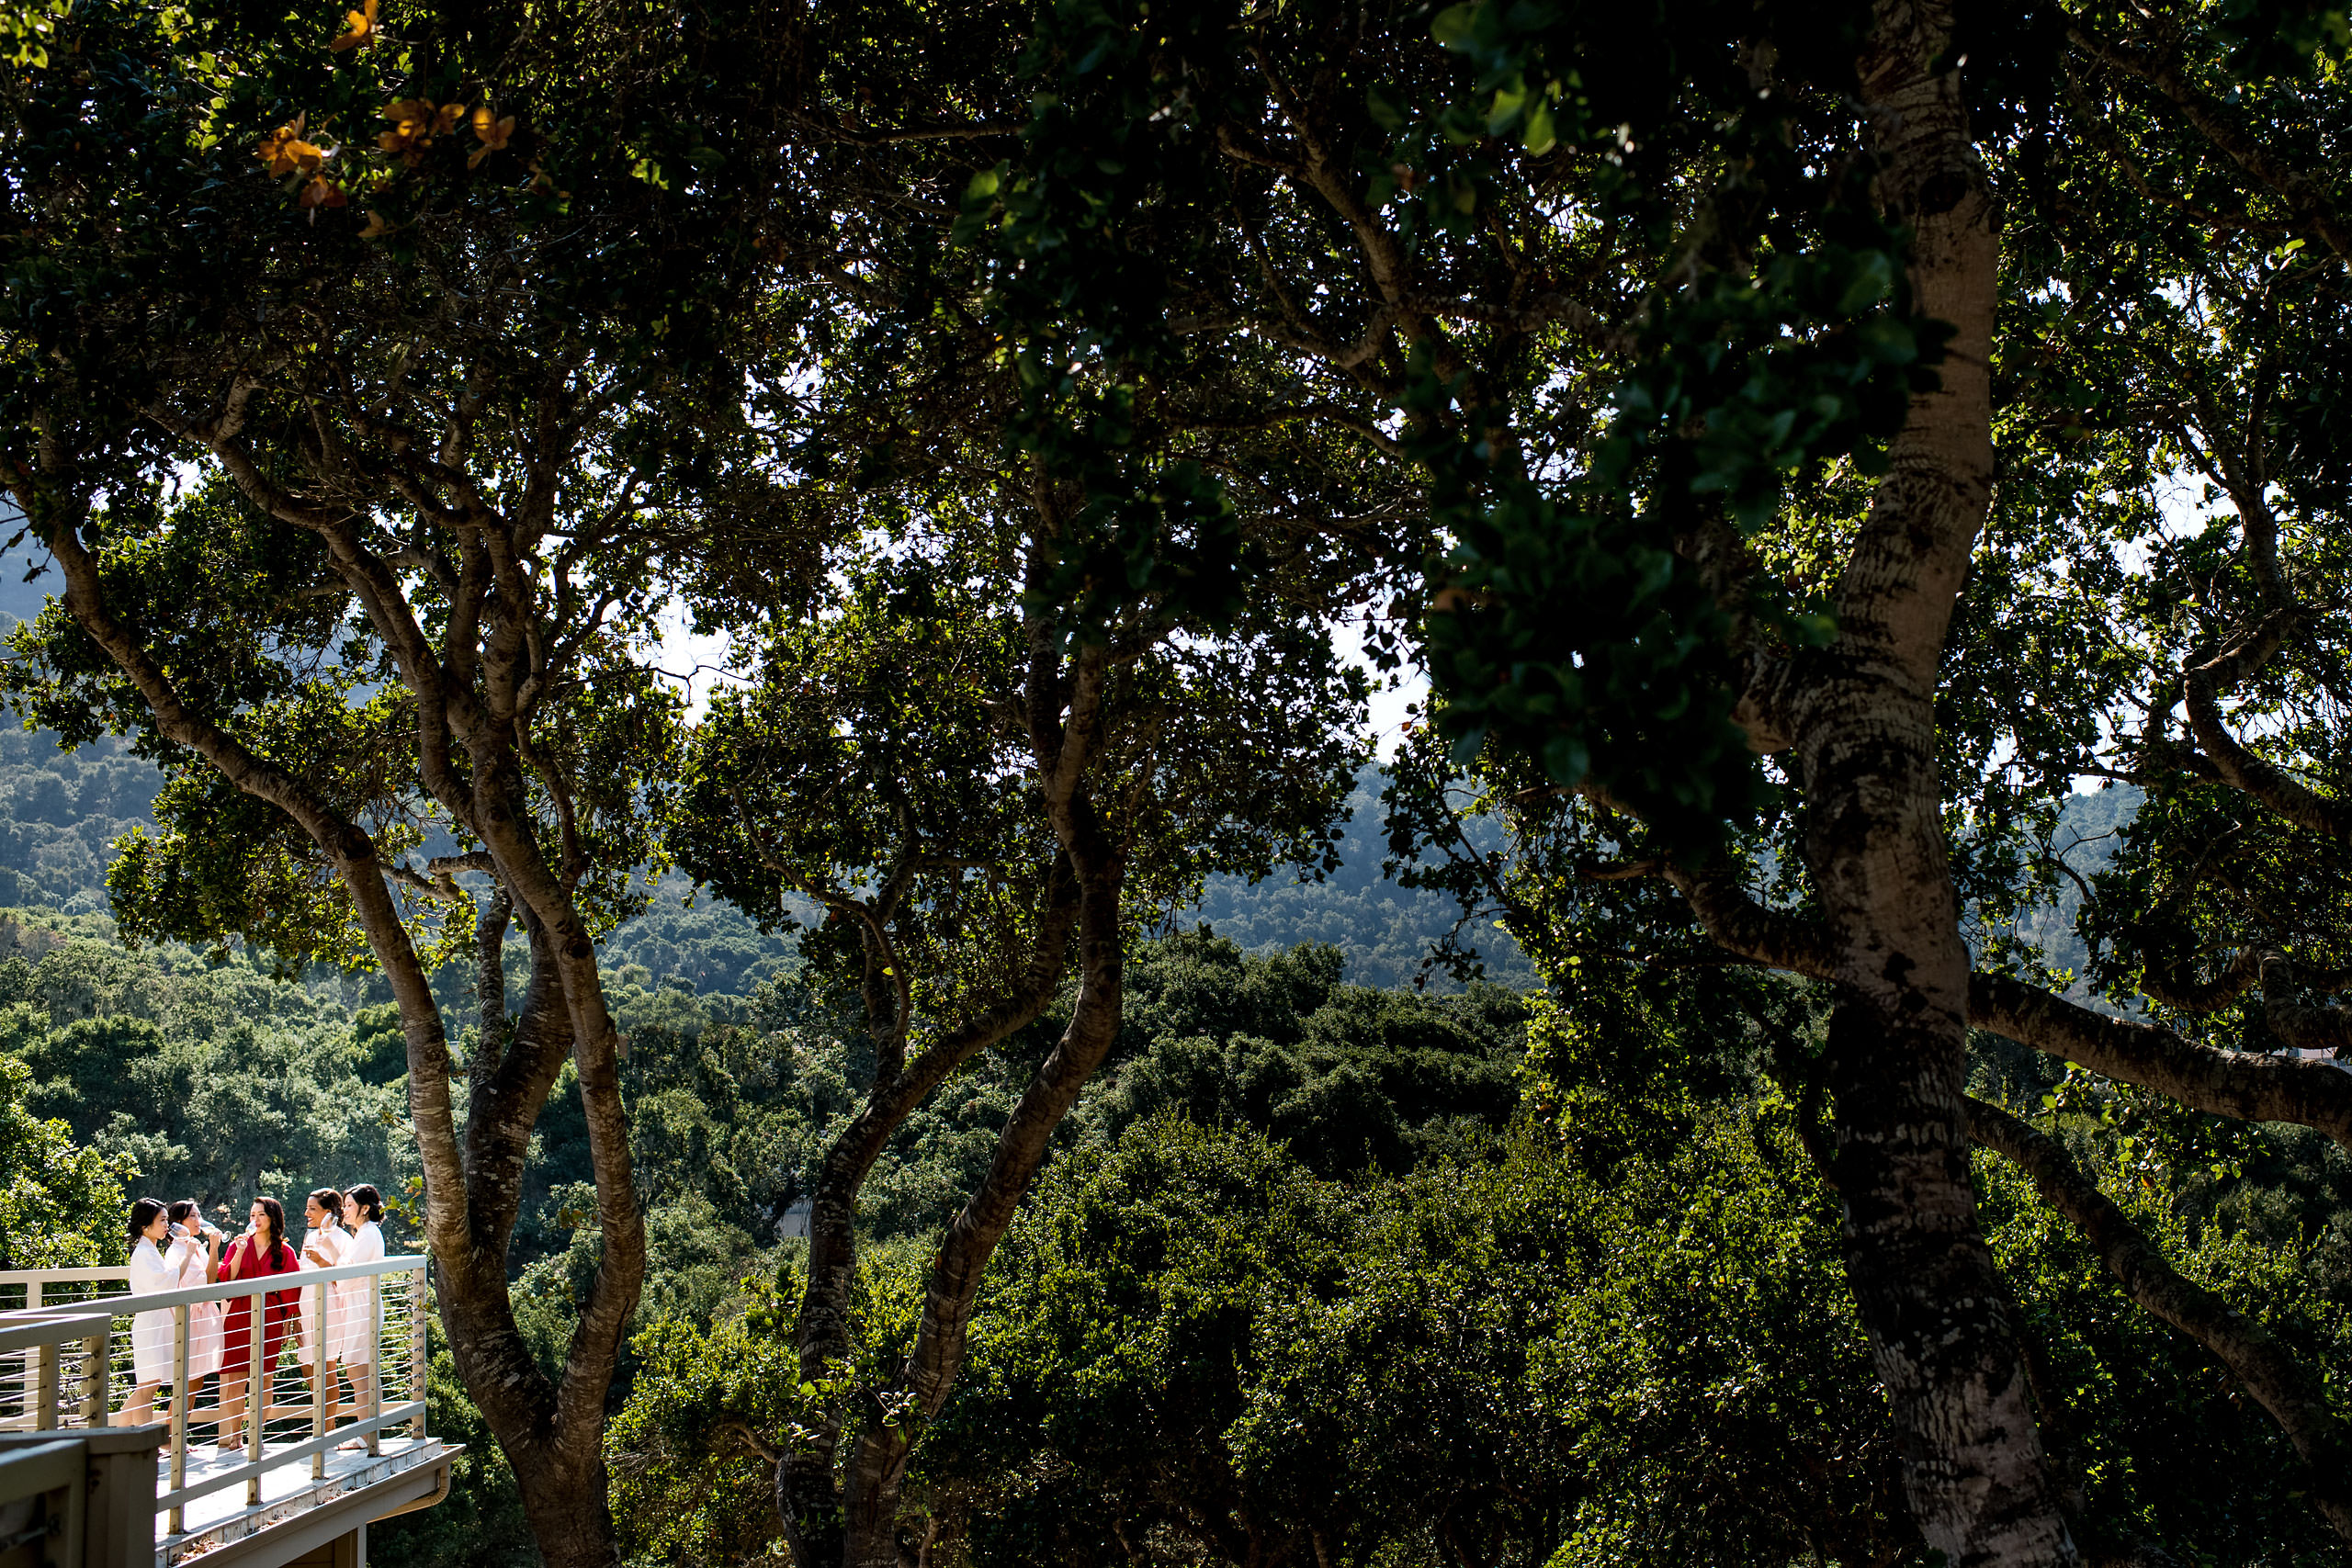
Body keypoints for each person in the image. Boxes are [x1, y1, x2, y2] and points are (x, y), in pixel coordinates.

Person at [213, 1197, 300, 1450]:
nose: (256, 1220)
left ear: (273, 1218)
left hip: (271, 1315)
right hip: (240, 1313)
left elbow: (292, 1290)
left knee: (264, 1378)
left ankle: (257, 1433)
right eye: (252, 1215)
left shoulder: (284, 1251)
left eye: (261, 1214)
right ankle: (235, 1435)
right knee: (235, 1377)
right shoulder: (239, 1246)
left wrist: (287, 1322)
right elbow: (227, 1279)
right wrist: (239, 1251)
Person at [121, 1198, 190, 1426]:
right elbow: (166, 1282)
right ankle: (143, 1441)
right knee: (147, 1388)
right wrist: (187, 1255)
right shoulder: (144, 1252)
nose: (166, 1226)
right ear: (145, 1225)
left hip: (155, 1323)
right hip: (149, 1324)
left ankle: (118, 1434)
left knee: (148, 1385)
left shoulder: (149, 1250)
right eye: (162, 1220)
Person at [332, 1184, 386, 1441]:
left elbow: (349, 1274)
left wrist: (339, 1269)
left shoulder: (368, 1233)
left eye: (350, 1205)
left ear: (365, 1208)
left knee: (358, 1370)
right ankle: (368, 1431)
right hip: (359, 1305)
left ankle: (367, 1433)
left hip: (363, 1306)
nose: (345, 1210)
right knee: (359, 1369)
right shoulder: (363, 1233)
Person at [164, 1201, 225, 1422]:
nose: (198, 1221)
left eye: (199, 1215)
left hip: (204, 1318)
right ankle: (170, 1437)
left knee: (197, 1381)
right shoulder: (176, 1252)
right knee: (187, 1382)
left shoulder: (198, 1247)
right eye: (192, 1216)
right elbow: (195, 1285)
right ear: (179, 1223)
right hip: (188, 1319)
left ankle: (179, 1435)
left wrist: (214, 1247)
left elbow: (212, 1278)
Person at [294, 1189, 347, 1421]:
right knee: (307, 1364)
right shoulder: (311, 1236)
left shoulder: (343, 1239)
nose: (306, 1213)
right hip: (306, 1303)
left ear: (329, 1212)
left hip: (329, 1305)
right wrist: (295, 1312)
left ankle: (327, 1427)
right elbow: (302, 1271)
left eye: (312, 1209)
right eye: (307, 1207)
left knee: (326, 1364)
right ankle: (321, 1420)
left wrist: (322, 1262)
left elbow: (346, 1277)